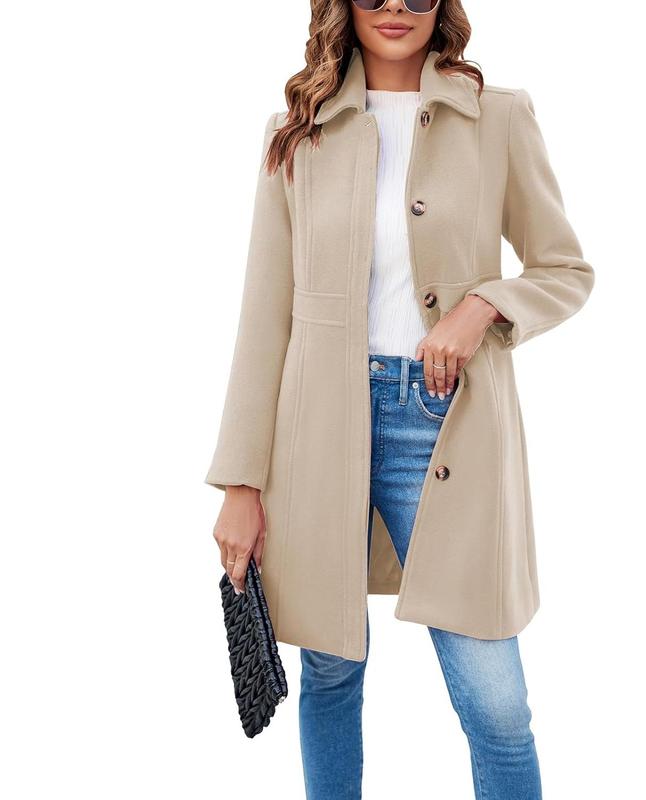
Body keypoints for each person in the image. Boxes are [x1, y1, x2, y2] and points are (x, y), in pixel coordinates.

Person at [207, 1, 594, 798]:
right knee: (330, 671)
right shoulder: (297, 130)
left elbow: (564, 270)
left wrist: (483, 305)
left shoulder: (497, 117)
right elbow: (263, 318)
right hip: (317, 431)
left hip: (445, 425)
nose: (394, 8)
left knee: (495, 701)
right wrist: (241, 483)